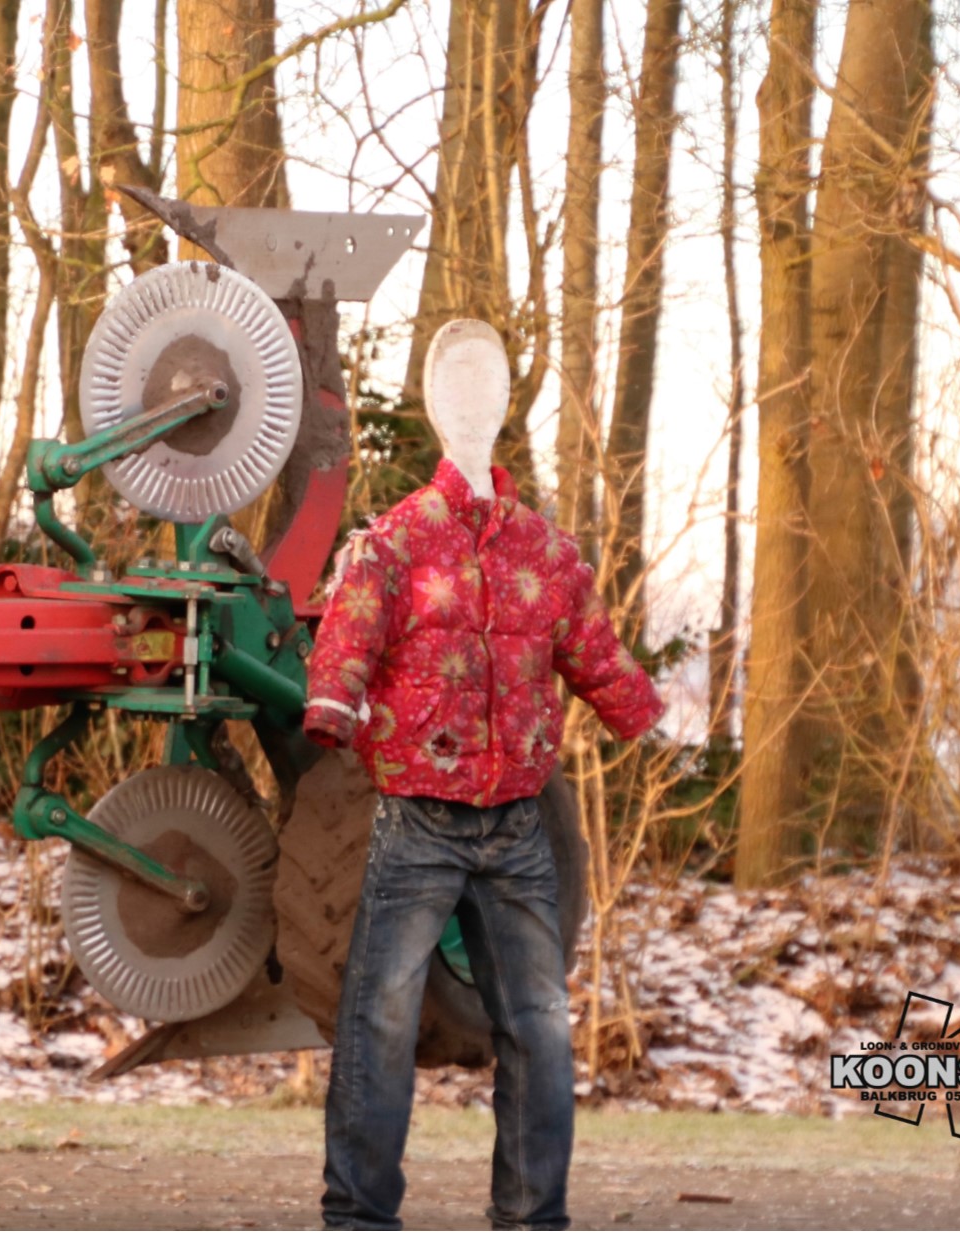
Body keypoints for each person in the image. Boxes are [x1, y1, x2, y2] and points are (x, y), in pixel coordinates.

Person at [302, 319, 665, 1230]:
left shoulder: (544, 553)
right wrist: (332, 704)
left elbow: (591, 648)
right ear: (433, 403)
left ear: (506, 404)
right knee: (380, 1020)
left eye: (488, 385)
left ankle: (534, 1215)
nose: (472, 402)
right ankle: (358, 1213)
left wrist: (640, 711)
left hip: (517, 824)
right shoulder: (395, 543)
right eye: (456, 384)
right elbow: (348, 634)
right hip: (417, 818)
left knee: (539, 1024)